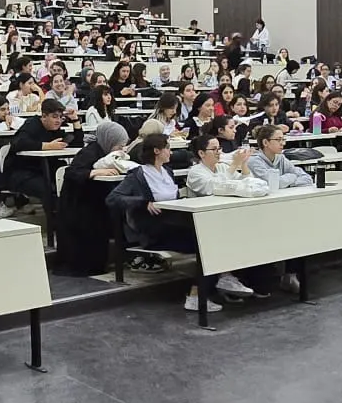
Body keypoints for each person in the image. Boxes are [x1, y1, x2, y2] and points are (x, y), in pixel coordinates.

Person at [106, 133, 254, 311]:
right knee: (206, 244)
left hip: (174, 222)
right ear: (156, 151)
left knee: (215, 236)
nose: (170, 151)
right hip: (154, 228)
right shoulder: (137, 175)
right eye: (167, 148)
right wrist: (143, 202)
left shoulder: (167, 171)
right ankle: (197, 294)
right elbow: (113, 198)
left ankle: (219, 280)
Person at [0, 100, 71, 216]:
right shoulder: (31, 124)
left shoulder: (55, 129)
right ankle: (55, 223)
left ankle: (68, 218)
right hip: (21, 172)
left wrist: (76, 121)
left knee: (70, 179)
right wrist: (47, 146)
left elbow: (75, 143)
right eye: (54, 117)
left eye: (60, 117)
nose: (58, 121)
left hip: (44, 169)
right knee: (48, 188)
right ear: (44, 116)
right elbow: (18, 143)